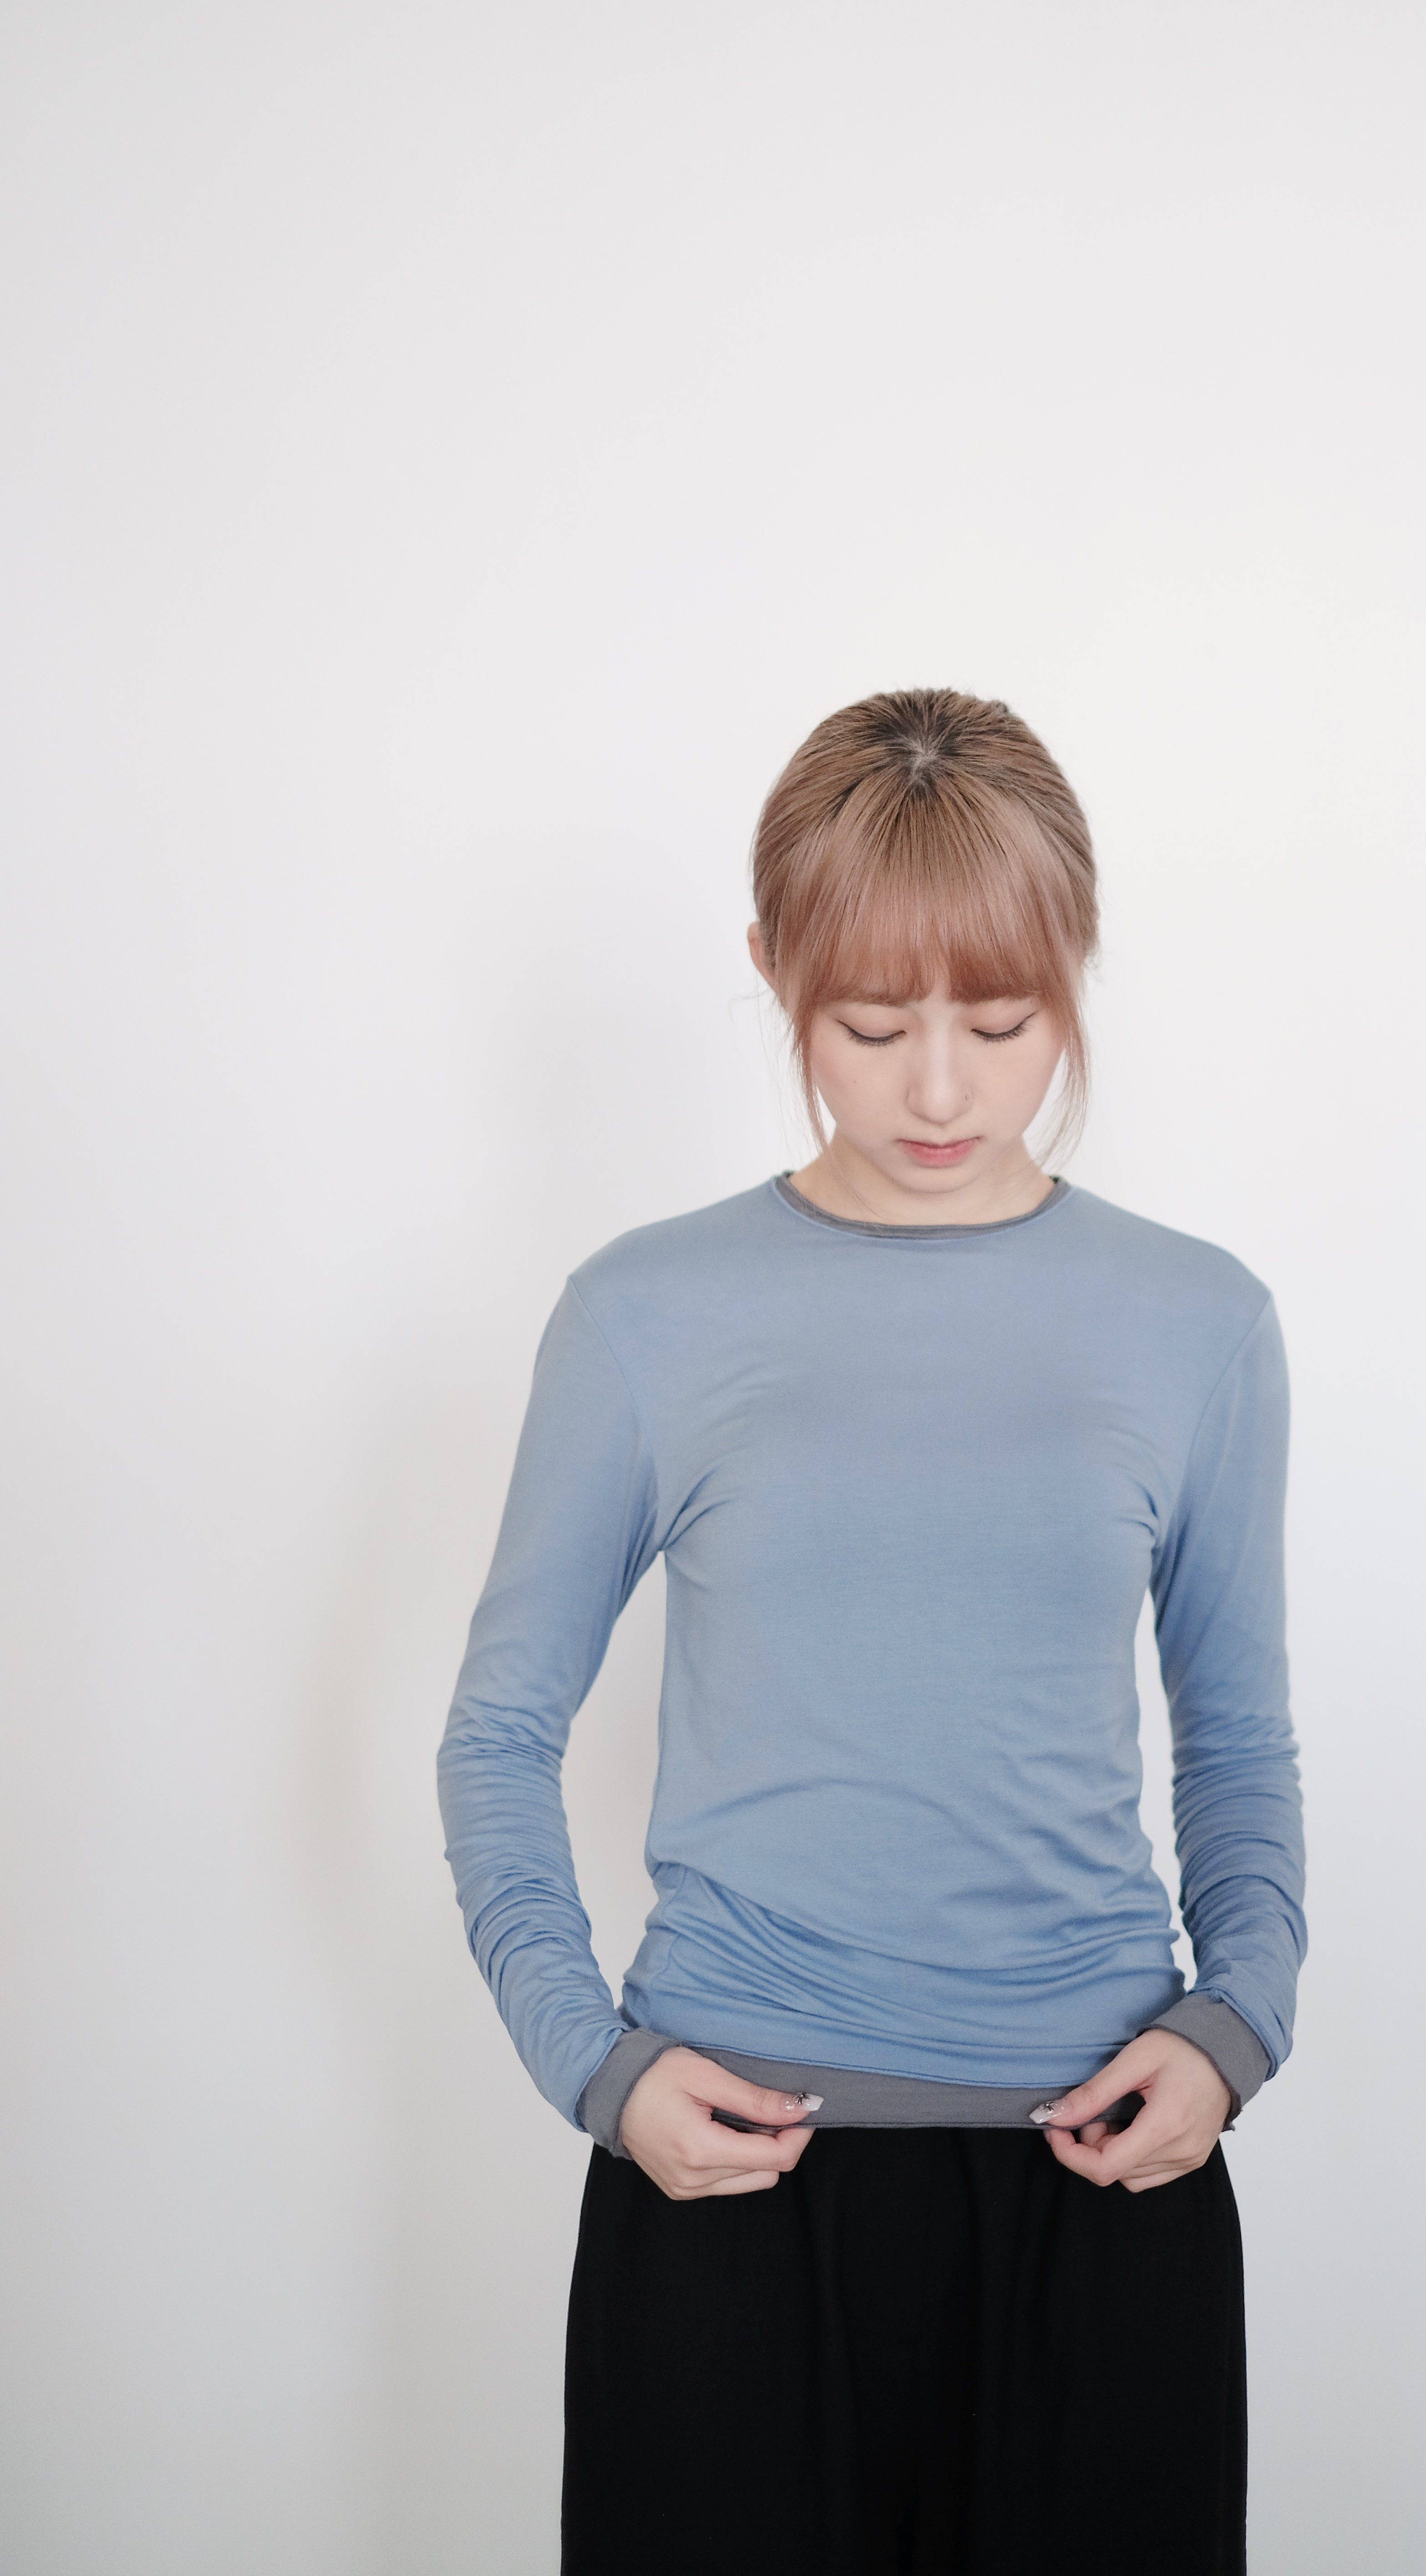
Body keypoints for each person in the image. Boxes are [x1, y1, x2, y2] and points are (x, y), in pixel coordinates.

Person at [437, 688, 1306, 2573]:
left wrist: (1241, 2020)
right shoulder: (644, 1318)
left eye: (1000, 1023)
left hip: (1102, 2183)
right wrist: (595, 2065)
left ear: (1074, 971)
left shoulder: (1200, 1324)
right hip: (730, 2191)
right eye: (869, 1023)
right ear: (774, 969)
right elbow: (498, 1732)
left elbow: (1237, 1735)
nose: (938, 1092)